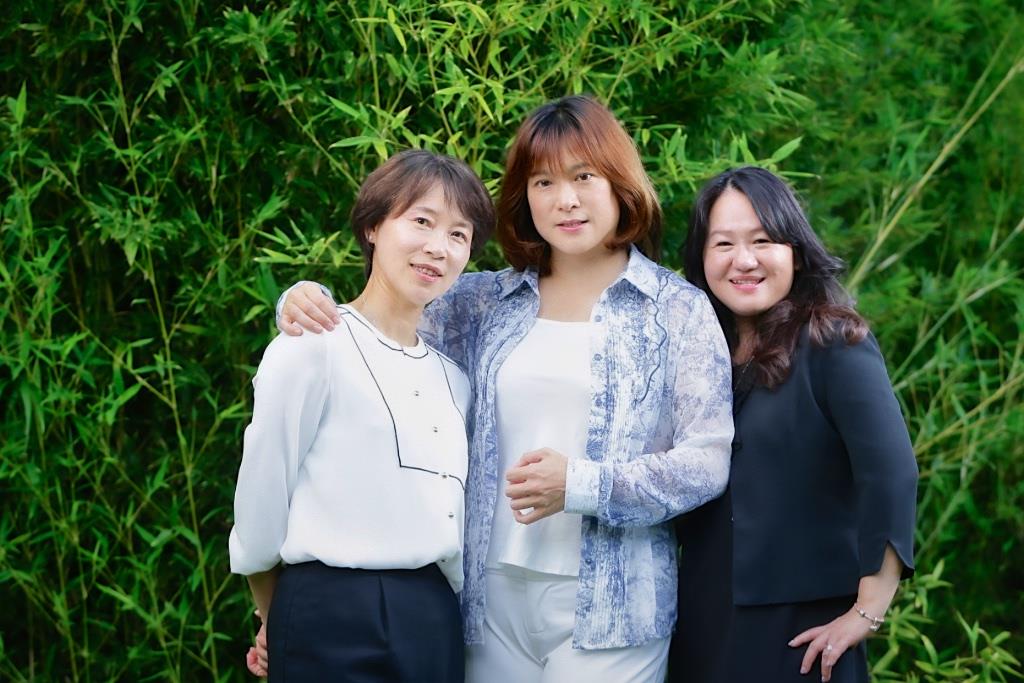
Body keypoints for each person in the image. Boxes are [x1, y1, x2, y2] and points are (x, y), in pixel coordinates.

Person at [276, 95, 734, 682]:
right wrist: (301, 300)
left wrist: (581, 484)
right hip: (486, 598)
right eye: (543, 182)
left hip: (615, 604)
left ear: (619, 183)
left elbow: (707, 461)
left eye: (583, 177)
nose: (565, 200)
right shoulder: (481, 302)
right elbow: (376, 329)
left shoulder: (676, 310)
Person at [228, 149, 494, 682]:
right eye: (422, 221)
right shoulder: (313, 343)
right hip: (329, 609)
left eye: (458, 235)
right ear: (373, 227)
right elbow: (262, 490)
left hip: (433, 616)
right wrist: (272, 614)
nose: (437, 247)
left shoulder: (456, 380)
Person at [669, 166, 918, 683]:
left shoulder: (832, 341)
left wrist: (868, 611)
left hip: (802, 635)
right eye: (723, 244)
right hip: (701, 622)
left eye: (763, 241)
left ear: (796, 252)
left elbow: (890, 473)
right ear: (701, 258)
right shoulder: (698, 354)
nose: (744, 260)